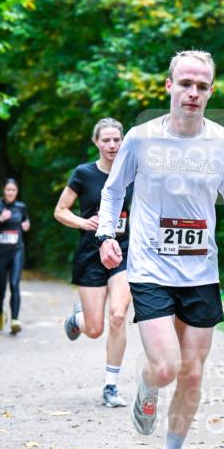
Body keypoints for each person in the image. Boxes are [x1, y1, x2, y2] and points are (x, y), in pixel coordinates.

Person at [95, 50, 224, 449]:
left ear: (211, 92)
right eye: (185, 83)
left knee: (193, 370)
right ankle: (147, 386)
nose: (193, 93)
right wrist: (106, 236)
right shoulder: (142, 138)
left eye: (202, 86)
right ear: (169, 86)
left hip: (201, 270)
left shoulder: (223, 141)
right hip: (150, 266)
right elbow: (113, 192)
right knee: (165, 367)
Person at [54, 118, 134, 408]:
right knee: (95, 328)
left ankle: (111, 386)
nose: (112, 145)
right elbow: (61, 210)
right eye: (106, 140)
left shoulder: (134, 172)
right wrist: (85, 223)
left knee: (118, 315)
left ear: (123, 140)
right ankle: (78, 320)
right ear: (96, 142)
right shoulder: (84, 174)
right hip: (90, 254)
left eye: (116, 139)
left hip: (124, 253)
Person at [0, 179, 30, 334]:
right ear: (3, 190)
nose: (10, 192)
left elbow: (25, 220)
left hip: (17, 250)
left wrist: (27, 224)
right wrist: (0, 219)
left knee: (14, 284)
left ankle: (14, 320)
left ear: (16, 192)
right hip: (0, 253)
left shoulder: (21, 207)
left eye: (13, 190)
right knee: (2, 287)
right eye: (8, 189)